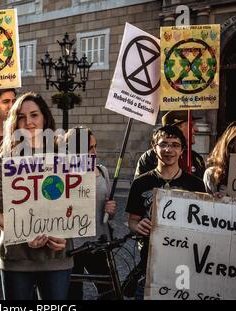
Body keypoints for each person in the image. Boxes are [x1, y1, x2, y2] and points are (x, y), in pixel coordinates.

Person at [0, 92, 72, 300]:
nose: (29, 122)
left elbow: (77, 202)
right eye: (22, 117)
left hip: (56, 256)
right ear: (15, 123)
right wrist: (24, 234)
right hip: (16, 259)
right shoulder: (5, 157)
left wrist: (67, 233)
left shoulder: (64, 153)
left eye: (34, 115)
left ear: (44, 117)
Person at [126, 125, 205, 299]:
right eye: (163, 144)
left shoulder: (197, 185)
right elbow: (132, 221)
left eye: (175, 145)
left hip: (185, 263)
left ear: (182, 150)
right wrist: (138, 226)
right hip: (149, 263)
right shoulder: (140, 183)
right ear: (154, 147)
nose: (169, 149)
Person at [65, 126, 117, 300]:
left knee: (109, 292)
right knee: (73, 294)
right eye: (89, 149)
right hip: (73, 245)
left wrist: (111, 210)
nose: (94, 152)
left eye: (95, 147)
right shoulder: (63, 174)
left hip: (99, 242)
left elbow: (108, 210)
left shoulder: (102, 171)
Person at [135, 110, 206, 179]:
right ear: (178, 128)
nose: (197, 129)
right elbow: (140, 187)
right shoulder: (149, 158)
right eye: (191, 125)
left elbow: (202, 188)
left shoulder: (196, 159)